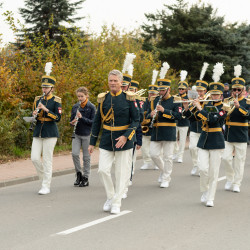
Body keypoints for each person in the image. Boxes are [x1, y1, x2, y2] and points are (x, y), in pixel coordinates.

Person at [88, 69, 139, 214]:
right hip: (106, 139)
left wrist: (126, 136)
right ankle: (111, 196)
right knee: (103, 170)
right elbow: (97, 121)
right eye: (111, 80)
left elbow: (136, 120)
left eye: (115, 81)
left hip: (125, 140)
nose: (113, 83)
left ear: (121, 82)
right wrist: (92, 142)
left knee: (122, 173)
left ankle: (117, 202)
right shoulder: (103, 98)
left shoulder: (129, 98)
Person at [192, 62, 226, 207]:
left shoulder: (224, 107)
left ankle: (210, 197)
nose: (215, 96)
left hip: (216, 141)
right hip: (203, 140)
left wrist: (199, 107)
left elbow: (212, 119)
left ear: (221, 95)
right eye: (212, 94)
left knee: (213, 171)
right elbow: (191, 117)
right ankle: (205, 190)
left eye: (217, 94)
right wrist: (190, 107)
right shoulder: (205, 104)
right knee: (203, 169)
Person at [147, 62, 182, 188]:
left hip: (169, 131)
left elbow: (178, 116)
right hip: (156, 131)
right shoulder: (155, 99)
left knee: (168, 157)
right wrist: (150, 115)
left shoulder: (176, 100)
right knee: (153, 154)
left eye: (163, 90)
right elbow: (146, 114)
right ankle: (164, 172)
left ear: (169, 89)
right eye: (159, 90)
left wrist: (164, 111)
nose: (161, 92)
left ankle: (166, 178)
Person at [31, 62, 62, 195]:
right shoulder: (37, 99)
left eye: (46, 87)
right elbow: (35, 115)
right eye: (43, 87)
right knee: (34, 158)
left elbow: (58, 118)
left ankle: (46, 185)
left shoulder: (56, 100)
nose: (44, 89)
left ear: (52, 88)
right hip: (38, 131)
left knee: (48, 159)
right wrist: (34, 114)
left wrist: (46, 109)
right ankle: (44, 178)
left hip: (50, 131)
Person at [222, 65, 250, 193]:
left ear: (243, 90)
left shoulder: (247, 102)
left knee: (239, 161)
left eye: (239, 89)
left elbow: (248, 115)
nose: (237, 91)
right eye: (235, 89)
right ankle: (229, 179)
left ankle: (237, 183)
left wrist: (239, 107)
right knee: (226, 158)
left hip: (241, 135)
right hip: (228, 135)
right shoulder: (227, 100)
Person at [183, 62, 209, 176]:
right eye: (198, 91)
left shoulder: (208, 102)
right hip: (194, 128)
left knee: (202, 149)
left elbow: (208, 115)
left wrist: (200, 105)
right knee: (192, 148)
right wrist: (187, 107)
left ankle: (200, 166)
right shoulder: (193, 101)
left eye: (202, 91)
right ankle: (195, 165)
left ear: (205, 91)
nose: (199, 93)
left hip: (205, 129)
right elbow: (189, 117)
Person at [70, 87, 96, 187]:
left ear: (86, 96)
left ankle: (86, 177)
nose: (80, 98)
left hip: (86, 134)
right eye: (78, 96)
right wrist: (73, 122)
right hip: (76, 133)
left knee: (86, 157)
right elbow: (71, 120)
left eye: (82, 96)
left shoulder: (91, 107)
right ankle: (78, 174)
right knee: (75, 154)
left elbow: (93, 122)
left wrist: (82, 118)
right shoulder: (75, 106)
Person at [140, 70, 159, 170]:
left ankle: (156, 163)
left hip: (154, 127)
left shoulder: (158, 102)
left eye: (153, 94)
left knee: (154, 148)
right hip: (145, 126)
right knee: (144, 147)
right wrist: (148, 115)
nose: (151, 95)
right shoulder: (144, 102)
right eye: (150, 93)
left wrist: (154, 115)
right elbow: (142, 112)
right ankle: (146, 162)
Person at [173, 70, 190, 163]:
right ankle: (175, 152)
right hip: (176, 121)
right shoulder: (175, 96)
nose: (181, 91)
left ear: (186, 89)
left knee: (183, 140)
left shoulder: (188, 98)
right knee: (173, 138)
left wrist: (185, 103)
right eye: (179, 89)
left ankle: (180, 156)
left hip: (184, 121)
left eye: (182, 89)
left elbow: (189, 110)